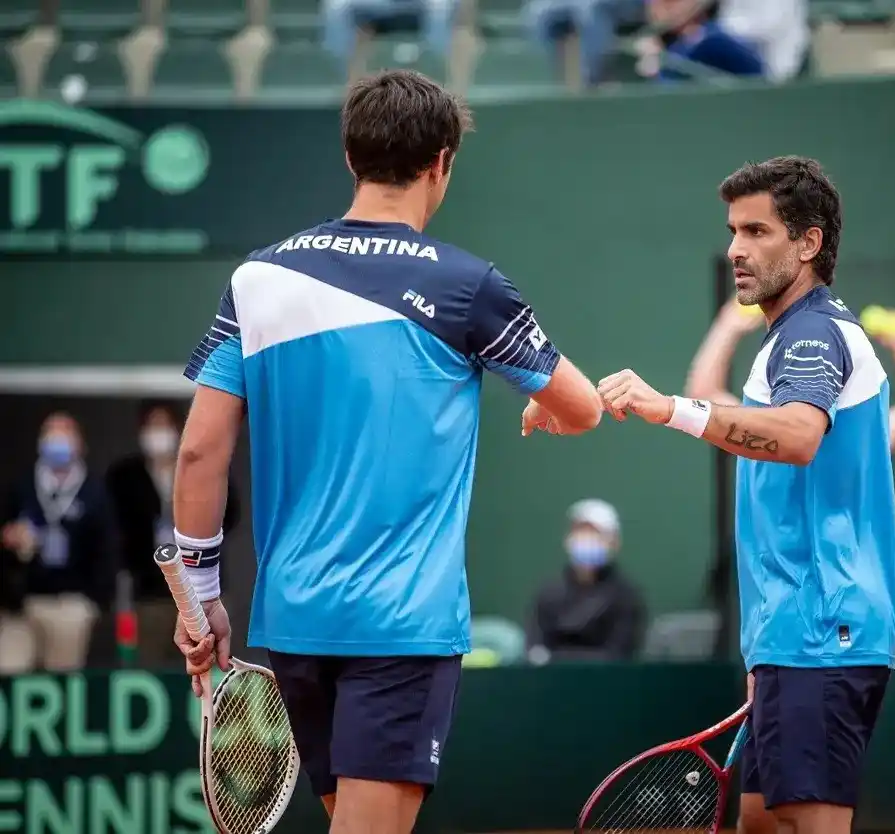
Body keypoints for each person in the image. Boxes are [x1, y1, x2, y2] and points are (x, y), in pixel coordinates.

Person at [171, 70, 604, 834]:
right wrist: (540, 402)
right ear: (442, 162)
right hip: (399, 626)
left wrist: (203, 595)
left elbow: (201, 451)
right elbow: (584, 407)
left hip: (295, 624)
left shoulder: (257, 278)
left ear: (350, 156)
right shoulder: (469, 286)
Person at [592, 157, 895, 834]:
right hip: (790, 637)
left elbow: (795, 436)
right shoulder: (785, 339)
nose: (736, 248)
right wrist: (764, 649)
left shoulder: (814, 333)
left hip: (822, 629)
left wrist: (669, 407)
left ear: (808, 243)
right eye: (733, 231)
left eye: (757, 231)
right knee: (760, 823)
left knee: (803, 824)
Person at [686, 297, 895, 453]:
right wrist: (729, 324)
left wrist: (728, 324)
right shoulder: (765, 432)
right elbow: (702, 395)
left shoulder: (857, 438)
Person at [106, 400, 241, 667]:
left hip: (200, 586)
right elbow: (116, 527)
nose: (159, 434)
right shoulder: (125, 476)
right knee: (150, 663)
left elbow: (230, 512)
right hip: (150, 590)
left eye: (164, 425)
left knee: (205, 666)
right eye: (153, 426)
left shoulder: (200, 468)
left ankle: (205, 710)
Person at [0, 412, 117, 673]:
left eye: (65, 434)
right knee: (10, 669)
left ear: (80, 444)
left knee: (63, 679)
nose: (57, 441)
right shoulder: (22, 487)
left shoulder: (95, 492)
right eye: (50, 433)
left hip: (71, 604)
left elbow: (107, 550)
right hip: (24, 604)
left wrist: (93, 602)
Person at [526, 498, 646, 664]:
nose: (586, 540)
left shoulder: (626, 596)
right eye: (580, 532)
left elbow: (619, 654)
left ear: (614, 543)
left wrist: (558, 658)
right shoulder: (549, 591)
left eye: (595, 534)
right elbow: (534, 647)